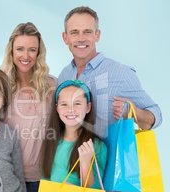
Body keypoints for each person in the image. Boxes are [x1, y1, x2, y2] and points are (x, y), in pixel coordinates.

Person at [58, 6, 162, 137]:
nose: (81, 38)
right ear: (65, 37)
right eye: (74, 32)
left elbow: (156, 115)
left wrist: (133, 112)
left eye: (87, 32)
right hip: (71, 156)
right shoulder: (64, 76)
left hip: (108, 157)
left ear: (97, 35)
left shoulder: (122, 74)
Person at [0, 22, 56, 192]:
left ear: (39, 53)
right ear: (11, 51)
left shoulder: (52, 85)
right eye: (20, 49)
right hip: (7, 179)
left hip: (43, 180)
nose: (26, 56)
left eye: (32, 50)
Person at [40, 80, 107, 188]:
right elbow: (45, 179)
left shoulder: (97, 146)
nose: (70, 110)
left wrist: (86, 163)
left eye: (77, 103)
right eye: (64, 104)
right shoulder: (51, 140)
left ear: (88, 107)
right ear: (57, 108)